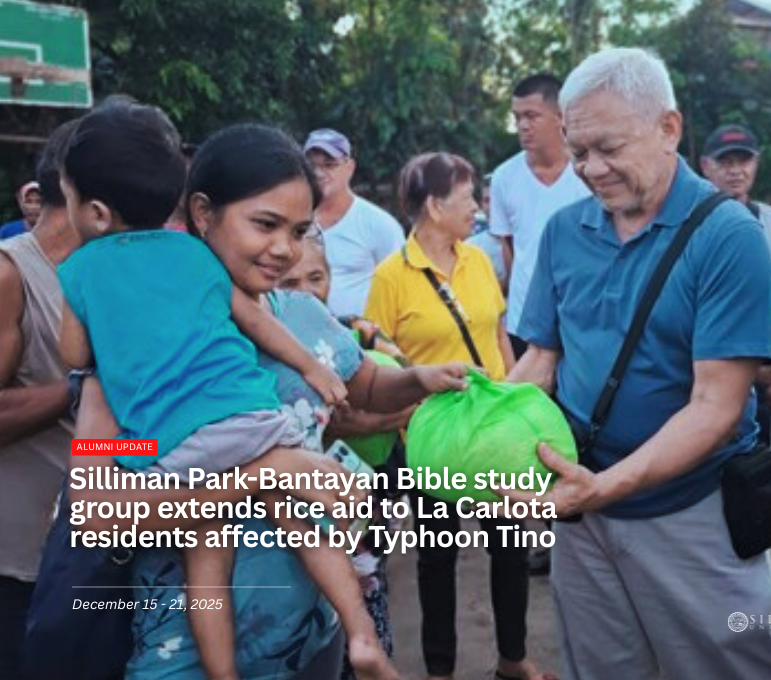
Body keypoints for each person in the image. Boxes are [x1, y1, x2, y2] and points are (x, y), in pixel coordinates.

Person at [67, 122, 471, 680]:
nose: (285, 249)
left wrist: (421, 378)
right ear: (203, 214)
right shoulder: (133, 350)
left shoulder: (301, 315)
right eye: (265, 224)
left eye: (301, 230)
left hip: (310, 641)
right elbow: (101, 512)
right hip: (184, 656)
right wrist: (270, 468)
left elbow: (366, 387)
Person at [499, 48, 771, 680]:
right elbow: (542, 361)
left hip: (693, 514)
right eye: (579, 153)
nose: (591, 169)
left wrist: (604, 487)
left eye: (609, 147)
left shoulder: (728, 238)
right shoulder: (564, 232)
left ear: (669, 128)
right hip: (581, 513)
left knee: (728, 665)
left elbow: (716, 408)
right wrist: (479, 417)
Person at [366, 152, 552, 680]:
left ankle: (512, 659)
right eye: (470, 197)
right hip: (434, 437)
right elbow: (378, 360)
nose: (479, 207)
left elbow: (496, 334)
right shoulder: (391, 277)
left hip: (493, 430)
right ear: (433, 204)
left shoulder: (476, 261)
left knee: (511, 546)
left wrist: (518, 403)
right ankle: (440, 670)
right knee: (435, 557)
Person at [278, 233, 414, 680]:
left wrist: (422, 383)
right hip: (219, 609)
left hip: (328, 576)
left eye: (315, 277)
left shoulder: (337, 335)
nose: (303, 292)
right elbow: (93, 463)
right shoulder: (188, 347)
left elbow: (376, 387)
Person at [0, 121, 81, 680]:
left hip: (89, 560)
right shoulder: (12, 271)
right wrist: (81, 387)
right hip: (15, 568)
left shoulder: (111, 278)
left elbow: (108, 434)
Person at [700, 123, 771, 446]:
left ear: (756, 164)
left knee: (754, 457)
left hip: (757, 364)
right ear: (705, 166)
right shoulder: (691, 221)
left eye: (743, 161)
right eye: (725, 162)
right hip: (704, 362)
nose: (735, 171)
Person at [489, 73, 590, 359]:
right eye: (517, 117)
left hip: (580, 312)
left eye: (532, 116)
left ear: (561, 116)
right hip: (523, 317)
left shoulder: (588, 172)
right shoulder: (504, 177)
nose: (522, 125)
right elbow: (507, 246)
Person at [303, 128, 405, 318]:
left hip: (360, 338)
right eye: (311, 166)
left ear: (349, 167)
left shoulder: (379, 225)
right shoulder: (293, 220)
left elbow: (402, 286)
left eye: (329, 164)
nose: (318, 173)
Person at [466, 174, 507, 291]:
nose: (492, 206)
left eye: (497, 199)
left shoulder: (526, 244)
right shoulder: (471, 247)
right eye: (487, 200)